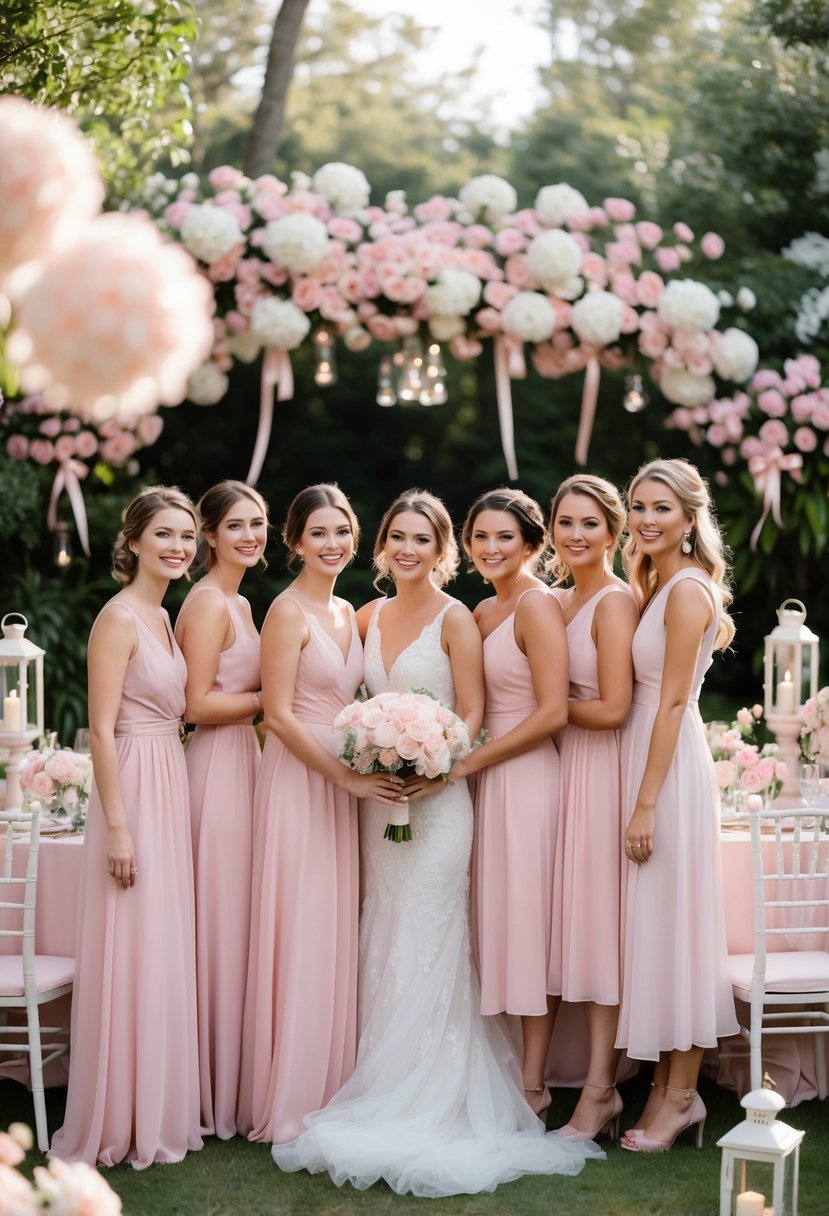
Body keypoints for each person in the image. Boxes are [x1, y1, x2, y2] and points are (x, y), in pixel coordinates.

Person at [273, 489, 600, 1197]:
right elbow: (349, 705)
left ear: (440, 548)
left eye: (423, 538)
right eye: (397, 537)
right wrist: (373, 759)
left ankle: (438, 1094)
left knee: (435, 928)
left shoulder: (459, 619)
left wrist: (437, 762)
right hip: (378, 803)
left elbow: (475, 711)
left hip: (441, 800)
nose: (408, 549)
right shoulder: (365, 616)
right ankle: (383, 1078)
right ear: (382, 547)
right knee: (384, 928)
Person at [238, 484, 405, 1145]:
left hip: (345, 780)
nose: (332, 543)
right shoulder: (285, 611)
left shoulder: (347, 611)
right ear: (295, 541)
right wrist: (343, 776)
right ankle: (287, 1094)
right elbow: (275, 713)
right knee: (299, 925)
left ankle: (332, 1084)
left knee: (334, 926)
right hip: (300, 778)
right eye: (319, 532)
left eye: (342, 530)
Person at [50, 486, 202, 1168]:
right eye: (165, 534)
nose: (177, 547)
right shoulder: (118, 619)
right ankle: (117, 1113)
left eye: (186, 537)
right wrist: (116, 826)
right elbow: (102, 732)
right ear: (134, 540)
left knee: (159, 942)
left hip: (168, 773)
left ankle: (157, 1102)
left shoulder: (163, 617)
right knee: (130, 941)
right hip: (133, 783)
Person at [615, 458, 739, 1153]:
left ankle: (683, 1096)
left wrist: (644, 804)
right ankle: (664, 1087)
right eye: (637, 505)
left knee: (678, 927)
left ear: (690, 519)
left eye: (660, 507)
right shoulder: (656, 583)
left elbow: (668, 700)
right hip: (648, 756)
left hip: (666, 773)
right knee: (656, 925)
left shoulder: (688, 591)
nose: (645, 517)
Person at [455, 487, 569, 1117]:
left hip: (525, 778)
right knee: (496, 919)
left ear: (530, 542)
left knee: (528, 923)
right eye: (481, 537)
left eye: (505, 536)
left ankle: (535, 1083)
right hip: (486, 779)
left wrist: (473, 759)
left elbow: (553, 712)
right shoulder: (478, 612)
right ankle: (502, 1068)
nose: (491, 548)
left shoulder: (536, 606)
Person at [174, 480, 267, 1139]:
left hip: (248, 764)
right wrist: (276, 697)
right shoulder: (207, 602)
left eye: (258, 522)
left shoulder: (241, 600)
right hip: (216, 765)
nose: (250, 534)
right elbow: (198, 703)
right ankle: (209, 1085)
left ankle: (235, 1076)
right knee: (218, 921)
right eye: (235, 524)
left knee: (237, 921)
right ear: (208, 534)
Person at [546, 475, 638, 1141]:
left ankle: (601, 1090)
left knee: (598, 929)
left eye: (588, 523)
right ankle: (568, 1075)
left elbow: (611, 709)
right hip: (561, 770)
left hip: (599, 770)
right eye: (564, 522)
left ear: (611, 532)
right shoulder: (556, 599)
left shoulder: (611, 603)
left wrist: (536, 713)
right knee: (568, 925)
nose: (574, 535)